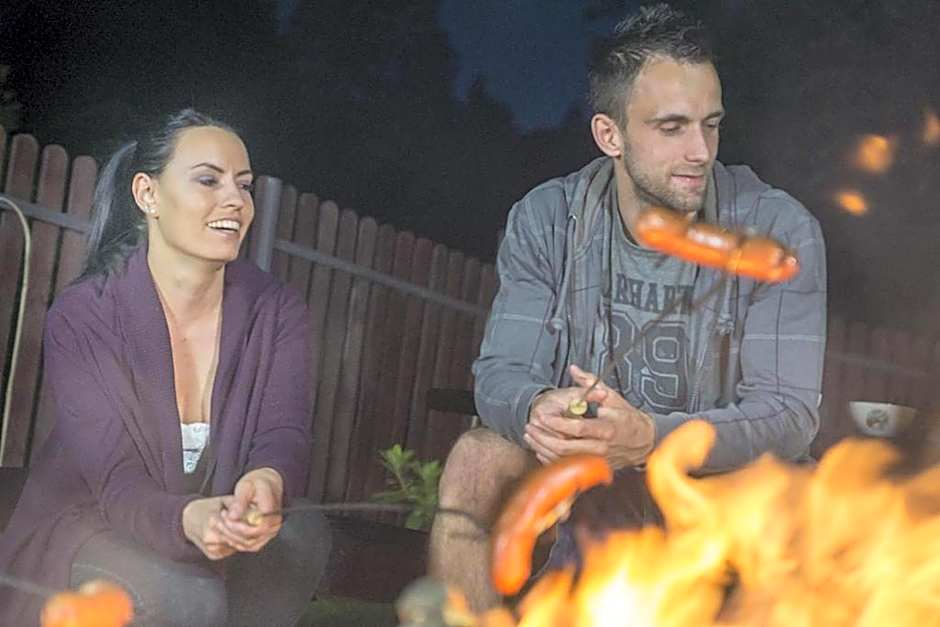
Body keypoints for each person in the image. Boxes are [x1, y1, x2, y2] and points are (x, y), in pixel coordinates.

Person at [428, 3, 827, 611]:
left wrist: (650, 440)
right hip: (587, 478)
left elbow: (789, 415)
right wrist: (537, 408)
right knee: (479, 457)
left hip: (722, 488)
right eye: (672, 128)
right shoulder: (548, 219)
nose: (700, 151)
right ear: (609, 135)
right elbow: (501, 374)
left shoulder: (776, 230)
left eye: (711, 124)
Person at [0, 109, 331, 626]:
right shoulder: (86, 314)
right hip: (97, 523)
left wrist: (267, 479)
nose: (235, 201)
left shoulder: (276, 308)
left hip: (212, 515)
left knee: (299, 536)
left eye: (244, 186)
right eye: (208, 180)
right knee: (184, 594)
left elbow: (282, 431)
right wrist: (185, 519)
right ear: (147, 194)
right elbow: (115, 480)